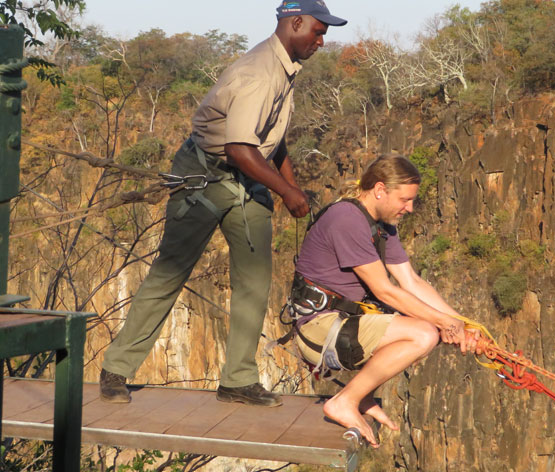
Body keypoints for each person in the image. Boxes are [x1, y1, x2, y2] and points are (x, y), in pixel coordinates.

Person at [99, 1, 347, 406]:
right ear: (295, 22)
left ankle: (238, 380)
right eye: (318, 31)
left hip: (247, 177)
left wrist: (292, 185)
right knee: (170, 272)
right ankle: (116, 370)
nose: (322, 40)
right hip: (205, 174)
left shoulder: (285, 70)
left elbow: (272, 138)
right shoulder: (259, 74)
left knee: (255, 278)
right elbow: (238, 148)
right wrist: (288, 193)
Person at [287, 154, 479, 447]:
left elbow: (411, 282)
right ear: (379, 190)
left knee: (428, 328)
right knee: (423, 334)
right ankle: (345, 401)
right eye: (405, 199)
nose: (410, 208)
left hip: (343, 322)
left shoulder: (380, 226)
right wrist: (442, 322)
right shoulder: (347, 220)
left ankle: (359, 396)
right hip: (319, 329)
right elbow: (384, 291)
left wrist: (463, 325)